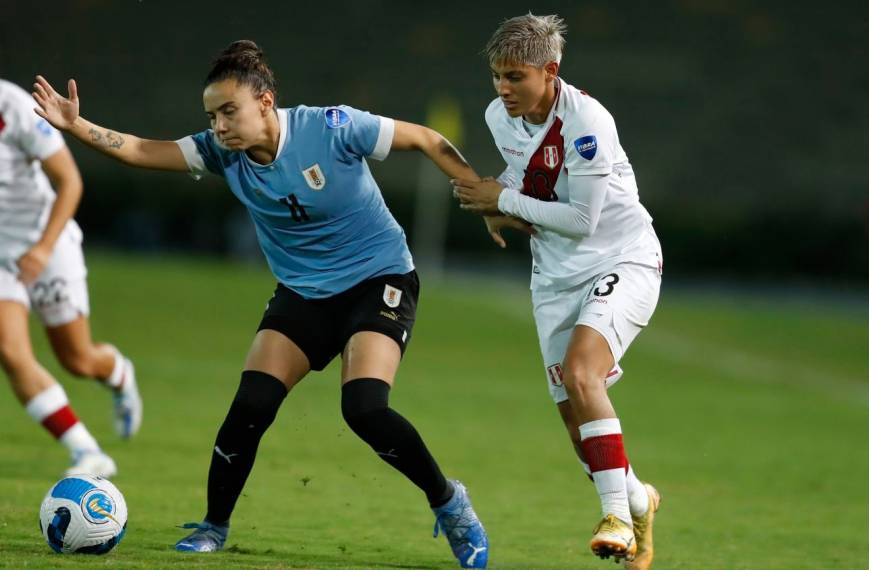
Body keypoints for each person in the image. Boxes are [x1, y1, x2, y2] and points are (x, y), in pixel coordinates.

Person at [33, 40, 489, 568]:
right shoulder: (220, 153)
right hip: (303, 292)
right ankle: (213, 526)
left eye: (230, 111)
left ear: (266, 103)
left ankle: (450, 503)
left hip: (377, 278)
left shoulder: (332, 127)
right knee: (251, 405)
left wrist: (482, 195)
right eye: (212, 115)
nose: (220, 125)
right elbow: (139, 150)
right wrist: (77, 125)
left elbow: (428, 139)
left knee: (364, 408)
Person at [452, 14, 664, 569]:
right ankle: (640, 500)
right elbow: (527, 175)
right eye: (497, 75)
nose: (503, 88)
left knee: (582, 373)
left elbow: (581, 221)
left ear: (551, 72)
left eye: (515, 76)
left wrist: (500, 200)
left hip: (622, 259)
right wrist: (499, 206)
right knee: (576, 423)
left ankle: (616, 516)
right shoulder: (501, 116)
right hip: (553, 276)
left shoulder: (588, 121)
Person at [0, 78, 141, 479]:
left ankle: (117, 372)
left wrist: (42, 249)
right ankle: (87, 451)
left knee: (77, 360)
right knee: (11, 353)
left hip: (48, 241)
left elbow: (70, 181)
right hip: (1, 256)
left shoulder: (10, 105)